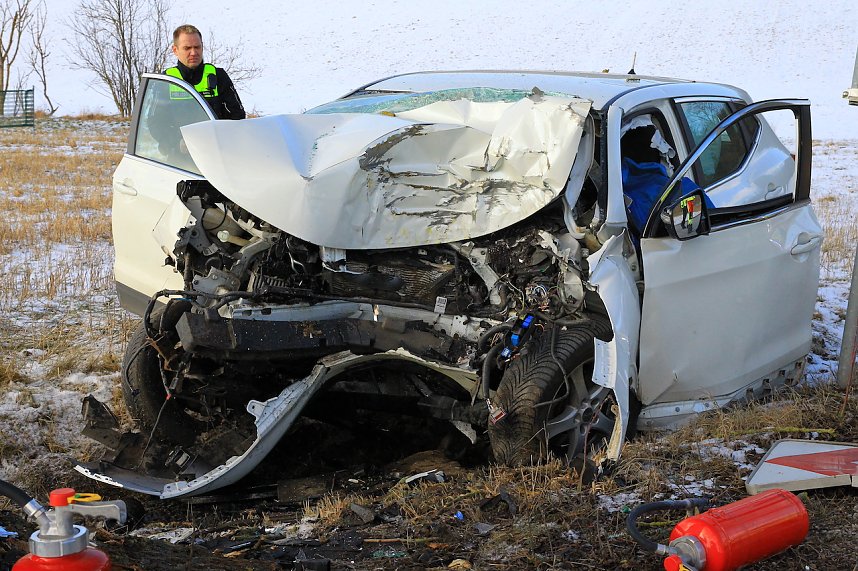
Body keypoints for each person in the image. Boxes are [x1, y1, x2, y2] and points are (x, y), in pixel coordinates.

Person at [164, 24, 245, 120]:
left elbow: (237, 115)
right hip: (178, 135)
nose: (193, 53)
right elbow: (154, 121)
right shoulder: (165, 80)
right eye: (187, 48)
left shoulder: (218, 76)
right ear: (175, 50)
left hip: (215, 134)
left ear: (202, 46)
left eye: (197, 47)